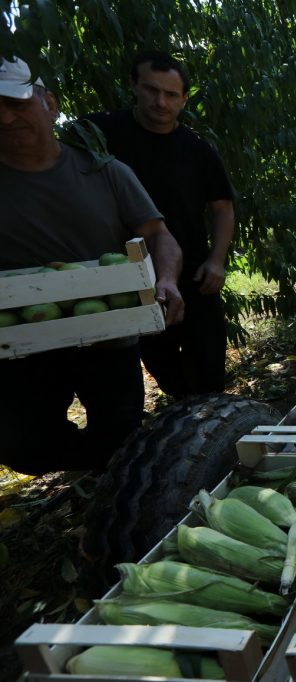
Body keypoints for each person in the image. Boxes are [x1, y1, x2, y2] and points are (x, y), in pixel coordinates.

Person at [0, 56, 184, 474]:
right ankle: (93, 471)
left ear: (49, 103)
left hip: (107, 334)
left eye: (16, 104)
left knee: (120, 434)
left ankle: (110, 489)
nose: (6, 118)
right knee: (23, 447)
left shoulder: (104, 173)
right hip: (20, 345)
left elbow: (158, 235)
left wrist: (168, 279)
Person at [83, 50, 235, 399]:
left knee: (208, 359)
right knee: (158, 357)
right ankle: (185, 412)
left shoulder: (197, 149)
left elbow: (223, 207)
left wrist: (217, 260)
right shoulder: (101, 135)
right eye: (151, 90)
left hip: (194, 275)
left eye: (170, 94)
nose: (160, 102)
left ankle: (207, 413)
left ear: (184, 99)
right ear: (134, 86)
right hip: (128, 273)